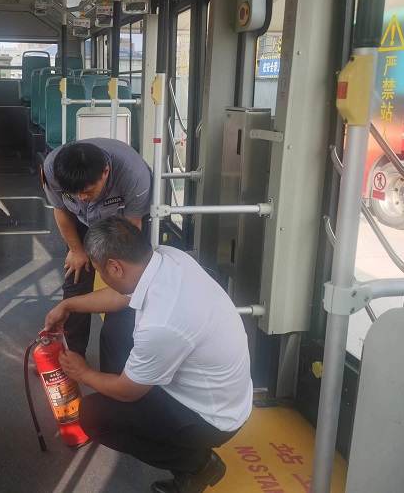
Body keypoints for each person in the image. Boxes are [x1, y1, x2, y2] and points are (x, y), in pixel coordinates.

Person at [44, 217, 252, 493]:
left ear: (115, 267)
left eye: (99, 270)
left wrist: (83, 373)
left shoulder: (161, 323)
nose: (100, 276)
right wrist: (68, 306)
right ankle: (134, 407)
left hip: (210, 418)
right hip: (223, 391)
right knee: (117, 323)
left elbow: (128, 392)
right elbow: (120, 297)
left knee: (94, 416)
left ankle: (198, 465)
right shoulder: (168, 258)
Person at [42, 139, 151, 371]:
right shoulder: (52, 169)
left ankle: (117, 363)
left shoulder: (134, 175)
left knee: (124, 283)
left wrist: (113, 266)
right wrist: (77, 250)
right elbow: (61, 211)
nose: (82, 197)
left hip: (122, 222)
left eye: (87, 191)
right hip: (80, 220)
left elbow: (131, 229)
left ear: (106, 172)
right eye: (75, 193)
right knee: (76, 277)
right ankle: (72, 355)